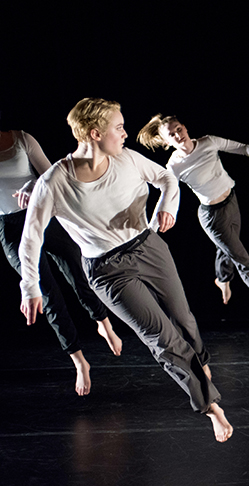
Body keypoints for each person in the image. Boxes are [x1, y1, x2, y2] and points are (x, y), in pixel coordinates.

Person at [19, 98, 232, 441]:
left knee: (183, 320)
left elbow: (166, 179)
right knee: (161, 338)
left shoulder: (128, 159)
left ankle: (200, 365)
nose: (125, 133)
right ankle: (211, 407)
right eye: (118, 128)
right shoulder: (55, 181)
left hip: (148, 247)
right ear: (93, 133)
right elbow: (31, 236)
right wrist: (30, 286)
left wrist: (166, 207)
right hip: (107, 269)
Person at [0, 127, 121, 396]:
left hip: (42, 214)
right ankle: (79, 360)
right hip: (10, 226)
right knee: (47, 294)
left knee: (78, 272)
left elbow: (51, 175)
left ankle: (103, 323)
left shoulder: (21, 139)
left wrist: (33, 186)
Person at [137, 115, 249, 323]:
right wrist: (151, 229)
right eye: (172, 135)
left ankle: (222, 278)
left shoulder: (209, 142)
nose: (178, 135)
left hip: (232, 202)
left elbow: (243, 147)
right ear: (167, 142)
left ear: (185, 127)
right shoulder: (174, 166)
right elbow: (167, 195)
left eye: (179, 129)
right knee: (241, 257)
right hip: (212, 217)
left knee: (227, 248)